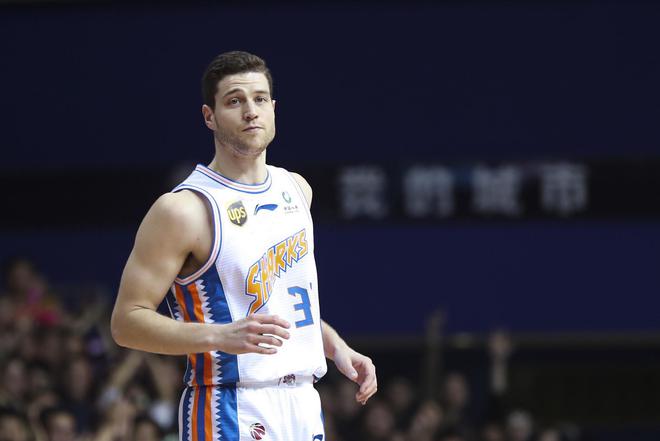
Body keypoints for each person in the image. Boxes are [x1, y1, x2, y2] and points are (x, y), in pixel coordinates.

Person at [111, 50, 377, 440]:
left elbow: (277, 305)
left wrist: (336, 347)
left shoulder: (296, 189)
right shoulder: (184, 209)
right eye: (235, 101)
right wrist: (218, 336)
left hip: (303, 401)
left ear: (274, 108)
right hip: (228, 404)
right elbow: (126, 322)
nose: (251, 111)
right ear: (209, 116)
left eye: (260, 99)